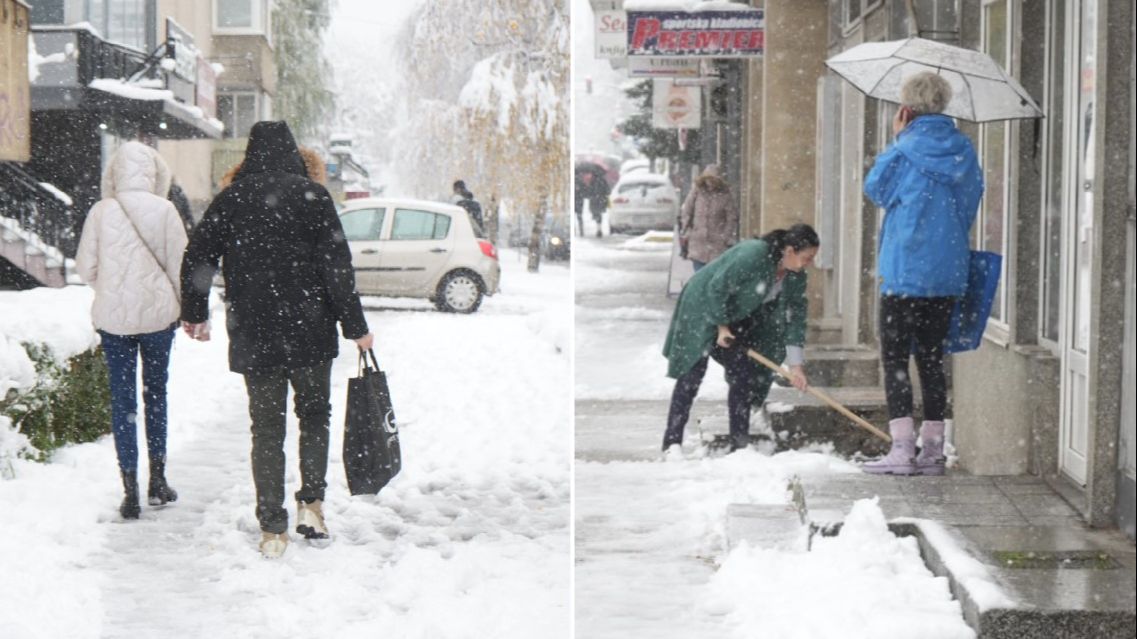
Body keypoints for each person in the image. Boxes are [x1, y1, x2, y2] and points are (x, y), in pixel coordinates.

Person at [180, 121, 374, 558]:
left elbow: (199, 255)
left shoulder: (232, 198)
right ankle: (311, 505)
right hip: (311, 328)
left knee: (266, 429)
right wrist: (356, 327)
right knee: (314, 416)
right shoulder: (314, 197)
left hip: (256, 330)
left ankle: (272, 528)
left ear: (249, 155)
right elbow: (337, 267)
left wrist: (194, 313)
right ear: (294, 154)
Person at [862, 71, 983, 476]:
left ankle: (901, 449)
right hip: (947, 269)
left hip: (904, 270)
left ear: (906, 109)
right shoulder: (964, 150)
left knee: (895, 358)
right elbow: (969, 205)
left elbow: (875, 190)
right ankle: (933, 450)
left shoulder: (905, 148)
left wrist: (897, 140)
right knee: (932, 359)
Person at [75, 141, 187, 519]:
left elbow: (85, 268)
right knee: (156, 395)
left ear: (115, 172)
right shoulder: (166, 210)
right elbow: (180, 269)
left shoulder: (101, 211)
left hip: (115, 323)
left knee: (123, 402)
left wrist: (112, 288)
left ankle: (129, 491)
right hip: (158, 321)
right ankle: (158, 480)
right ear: (154, 174)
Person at [662, 224, 820, 457]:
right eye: (807, 258)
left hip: (736, 314)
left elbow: (795, 318)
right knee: (692, 373)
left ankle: (740, 444)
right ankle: (672, 443)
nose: (809, 264)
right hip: (702, 306)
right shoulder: (754, 254)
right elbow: (717, 287)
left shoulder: (795, 276)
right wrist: (721, 326)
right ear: (789, 251)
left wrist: (796, 367)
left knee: (743, 373)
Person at [679, 164, 739, 271]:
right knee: (699, 276)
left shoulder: (725, 195)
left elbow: (732, 218)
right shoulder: (697, 191)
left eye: (713, 179)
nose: (710, 182)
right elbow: (687, 210)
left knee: (713, 276)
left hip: (717, 244)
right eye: (708, 179)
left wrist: (725, 236)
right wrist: (687, 230)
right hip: (698, 242)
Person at [574, 166, 610, 238]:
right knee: (598, 214)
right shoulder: (602, 180)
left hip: (595, 199)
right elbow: (608, 190)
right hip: (599, 199)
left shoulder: (592, 181)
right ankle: (598, 228)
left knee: (595, 213)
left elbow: (586, 191)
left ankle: (594, 228)